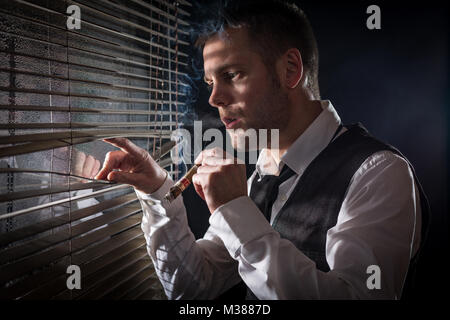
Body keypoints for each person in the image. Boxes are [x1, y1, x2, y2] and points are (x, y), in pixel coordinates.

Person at [95, 0, 429, 299]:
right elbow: (194, 287)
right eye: (211, 82)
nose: (214, 99)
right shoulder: (262, 174)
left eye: (232, 74)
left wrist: (234, 207)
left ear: (290, 70)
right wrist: (157, 190)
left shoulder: (379, 174)